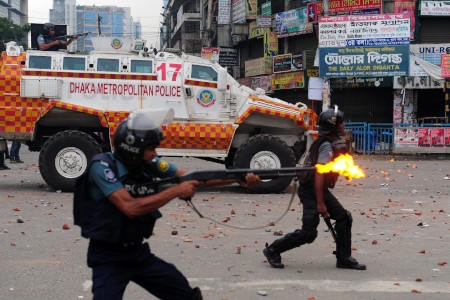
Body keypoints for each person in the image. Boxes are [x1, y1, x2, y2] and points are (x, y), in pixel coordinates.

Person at [77, 108, 261, 299]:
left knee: (185, 295)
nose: (155, 153)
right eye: (150, 149)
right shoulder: (102, 167)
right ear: (132, 149)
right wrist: (175, 191)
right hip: (108, 257)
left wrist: (237, 179)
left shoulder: (148, 163)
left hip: (137, 252)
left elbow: (193, 178)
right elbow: (129, 207)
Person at [263, 106, 366, 270]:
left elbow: (333, 166)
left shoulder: (331, 142)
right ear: (333, 125)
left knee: (343, 218)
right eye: (341, 122)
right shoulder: (326, 145)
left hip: (319, 189)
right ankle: (273, 249)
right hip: (311, 190)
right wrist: (320, 203)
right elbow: (319, 173)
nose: (344, 125)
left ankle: (344, 258)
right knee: (309, 232)